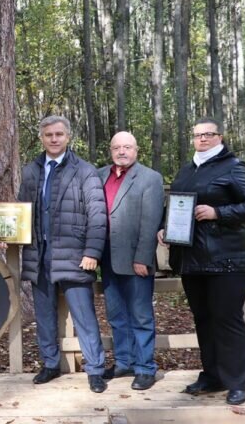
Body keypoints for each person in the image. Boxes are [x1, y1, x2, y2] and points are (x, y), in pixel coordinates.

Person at [158, 118, 245, 406]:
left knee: (227, 320)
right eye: (197, 135)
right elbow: (176, 204)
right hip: (193, 259)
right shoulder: (187, 170)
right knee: (203, 319)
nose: (202, 139)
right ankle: (213, 375)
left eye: (208, 134)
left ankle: (237, 382)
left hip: (227, 258)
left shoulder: (234, 168)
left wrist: (218, 212)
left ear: (220, 137)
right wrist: (165, 227)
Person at [18, 116, 108, 393]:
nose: (54, 139)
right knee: (43, 315)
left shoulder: (85, 171)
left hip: (74, 254)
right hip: (39, 254)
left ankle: (95, 369)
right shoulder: (31, 171)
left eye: (59, 134)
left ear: (68, 137)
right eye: (48, 135)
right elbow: (22, 211)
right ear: (41, 138)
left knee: (84, 316)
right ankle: (50, 364)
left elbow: (98, 215)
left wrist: (92, 251)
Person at [98, 132, 164, 390]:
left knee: (141, 316)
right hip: (107, 258)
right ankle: (124, 362)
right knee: (116, 315)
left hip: (136, 259)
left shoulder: (150, 178)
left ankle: (145, 368)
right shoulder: (100, 174)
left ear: (136, 150)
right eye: (117, 147)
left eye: (127, 147)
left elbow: (150, 223)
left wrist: (143, 259)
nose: (121, 151)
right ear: (111, 150)